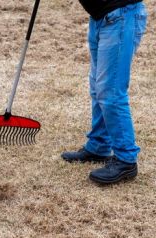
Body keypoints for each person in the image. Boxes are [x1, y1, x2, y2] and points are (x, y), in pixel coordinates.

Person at [62, 0, 147, 185]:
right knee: (97, 88)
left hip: (120, 16)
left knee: (111, 93)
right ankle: (98, 145)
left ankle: (126, 160)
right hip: (101, 18)